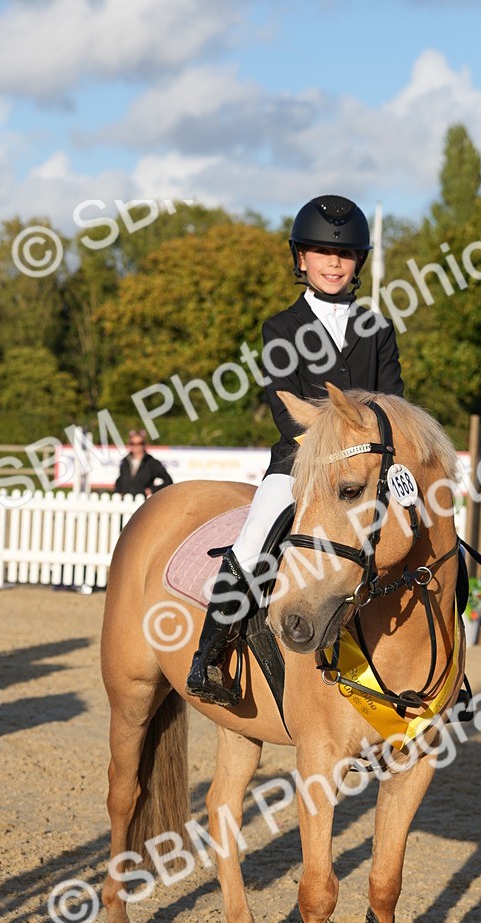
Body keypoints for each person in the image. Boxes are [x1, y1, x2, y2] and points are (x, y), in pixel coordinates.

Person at [186, 194, 404, 707]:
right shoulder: (281, 328)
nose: (334, 262)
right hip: (299, 463)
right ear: (301, 259)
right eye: (322, 252)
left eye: (345, 254)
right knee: (253, 540)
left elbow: (394, 403)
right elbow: (285, 410)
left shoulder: (377, 329)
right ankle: (208, 656)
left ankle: (451, 665)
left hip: (372, 468)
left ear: (358, 263)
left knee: (435, 535)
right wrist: (330, 458)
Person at [114, 431, 172, 497]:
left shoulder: (152, 463)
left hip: (144, 500)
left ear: (144, 444)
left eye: (139, 443)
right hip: (126, 499)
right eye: (132, 444)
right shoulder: (125, 461)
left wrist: (152, 490)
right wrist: (118, 492)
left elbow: (168, 481)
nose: (136, 446)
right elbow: (120, 480)